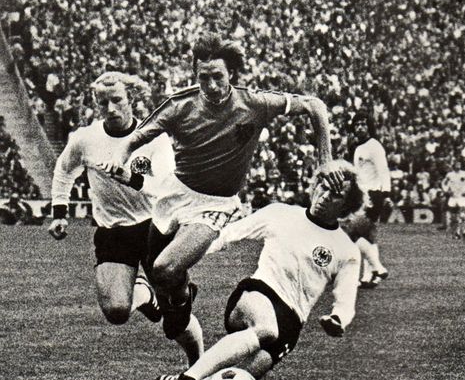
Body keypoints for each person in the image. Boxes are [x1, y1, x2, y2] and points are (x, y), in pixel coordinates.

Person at [98, 33, 343, 346]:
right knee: (161, 276)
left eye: (218, 77)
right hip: (174, 194)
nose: (211, 85)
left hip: (215, 204)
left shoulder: (256, 103)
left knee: (165, 266)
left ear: (232, 76)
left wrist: (325, 162)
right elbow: (134, 139)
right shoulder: (179, 106)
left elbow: (315, 106)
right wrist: (120, 161)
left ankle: (181, 295)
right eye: (204, 77)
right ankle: (184, 293)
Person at [155, 160, 365, 380]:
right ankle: (186, 379)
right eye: (323, 186)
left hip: (292, 323)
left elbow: (345, 300)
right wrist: (181, 259)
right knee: (266, 329)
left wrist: (338, 319)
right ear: (315, 184)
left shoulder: (346, 250)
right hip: (257, 293)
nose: (325, 196)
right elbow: (227, 235)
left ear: (347, 205)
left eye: (336, 195)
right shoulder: (280, 213)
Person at [48, 71, 203, 366]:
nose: (110, 108)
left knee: (175, 323)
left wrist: (130, 178)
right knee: (117, 311)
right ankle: (145, 294)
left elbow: (168, 186)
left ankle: (197, 370)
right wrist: (59, 212)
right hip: (113, 230)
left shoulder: (153, 139)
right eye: (103, 102)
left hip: (154, 227)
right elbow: (64, 169)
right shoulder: (85, 139)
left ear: (131, 99)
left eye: (117, 100)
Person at [343, 110, 391, 289]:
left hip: (372, 195)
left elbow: (383, 170)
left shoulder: (374, 146)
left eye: (363, 124)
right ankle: (369, 276)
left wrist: (386, 194)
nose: (360, 127)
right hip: (361, 195)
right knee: (368, 236)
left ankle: (378, 268)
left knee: (351, 233)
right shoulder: (358, 147)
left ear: (369, 126)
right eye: (357, 124)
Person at [441, 162, 465, 239]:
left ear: (461, 166)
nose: (458, 165)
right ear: (453, 166)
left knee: (462, 214)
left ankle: (464, 231)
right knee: (454, 216)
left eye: (459, 164)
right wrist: (446, 190)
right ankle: (457, 232)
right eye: (456, 164)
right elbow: (443, 183)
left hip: (462, 197)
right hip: (453, 197)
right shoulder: (450, 174)